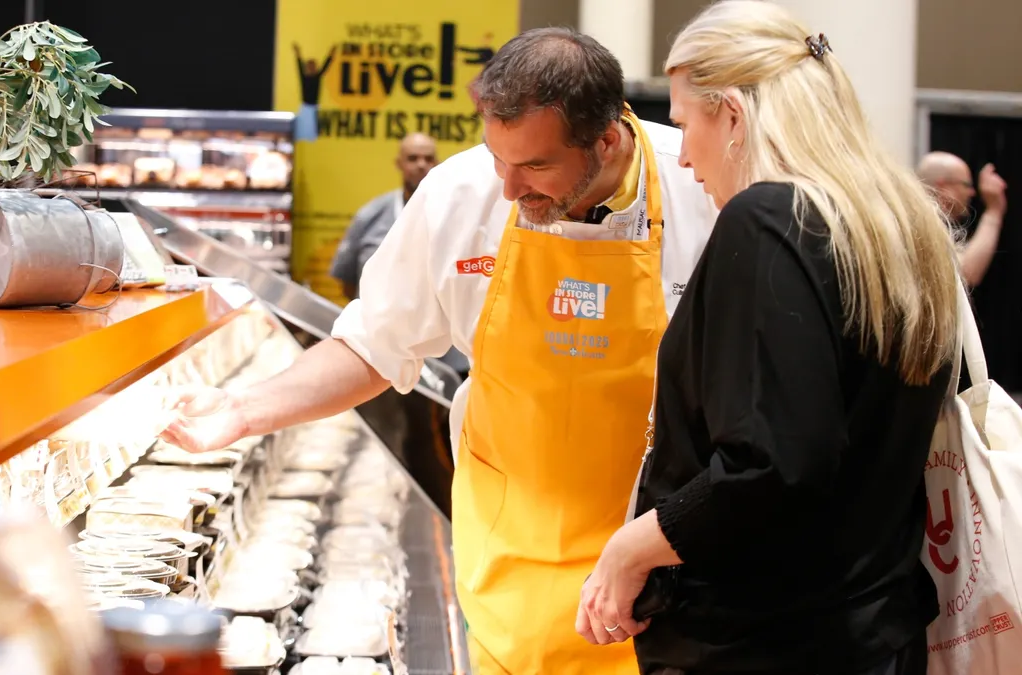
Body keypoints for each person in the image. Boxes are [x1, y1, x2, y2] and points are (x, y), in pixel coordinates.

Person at [163, 27, 717, 674]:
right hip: (509, 579)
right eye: (497, 158)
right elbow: (372, 344)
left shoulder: (700, 188)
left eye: (536, 167)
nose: (508, 189)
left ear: (608, 139)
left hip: (658, 581)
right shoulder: (461, 193)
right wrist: (243, 410)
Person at [576, 3, 960, 674]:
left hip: (764, 643)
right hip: (876, 630)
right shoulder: (897, 222)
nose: (685, 154)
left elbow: (777, 462)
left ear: (732, 114)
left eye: (686, 122)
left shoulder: (769, 218)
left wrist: (632, 546)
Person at [331, 132, 439, 302]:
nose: (421, 165)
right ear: (399, 164)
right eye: (412, 158)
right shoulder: (370, 215)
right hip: (374, 323)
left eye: (428, 159)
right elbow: (347, 284)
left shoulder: (451, 215)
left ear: (438, 164)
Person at [917, 151, 1009, 287]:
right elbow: (965, 273)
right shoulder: (921, 223)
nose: (971, 192)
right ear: (943, 187)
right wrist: (993, 212)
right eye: (966, 185)